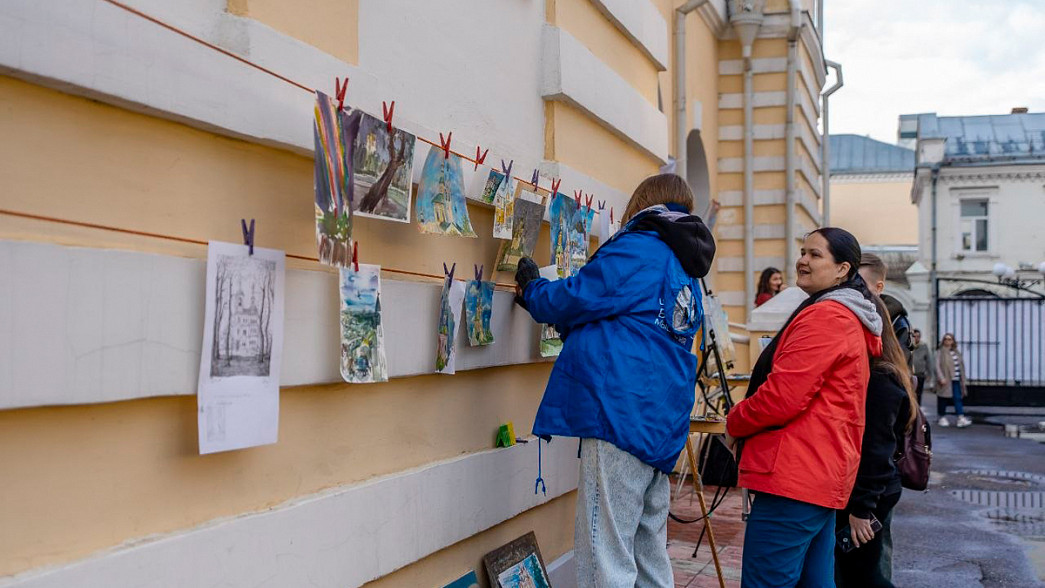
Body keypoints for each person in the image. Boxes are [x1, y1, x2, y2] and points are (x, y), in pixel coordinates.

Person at [514, 173, 716, 587]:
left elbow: (578, 296)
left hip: (621, 416)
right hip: (660, 425)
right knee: (647, 553)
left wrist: (534, 290)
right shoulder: (686, 267)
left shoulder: (642, 247)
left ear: (643, 202)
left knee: (604, 550)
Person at [727, 228, 883, 587]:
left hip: (794, 475)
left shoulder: (826, 316)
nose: (802, 260)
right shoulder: (845, 315)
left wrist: (734, 421)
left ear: (843, 269)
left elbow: (781, 397)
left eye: (815, 255)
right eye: (802, 252)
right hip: (817, 473)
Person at [835, 295, 918, 587]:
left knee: (863, 576)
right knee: (856, 572)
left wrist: (862, 509)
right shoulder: (884, 370)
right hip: (870, 492)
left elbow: (877, 450)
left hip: (869, 496)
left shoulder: (880, 378)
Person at [935, 333, 971, 428]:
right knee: (943, 398)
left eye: (950, 339)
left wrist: (963, 379)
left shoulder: (956, 352)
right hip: (946, 379)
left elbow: (961, 365)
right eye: (946, 339)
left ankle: (960, 418)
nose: (948, 341)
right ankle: (941, 417)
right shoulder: (940, 352)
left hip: (956, 379)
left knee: (957, 398)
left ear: (953, 341)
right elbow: (937, 366)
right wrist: (941, 377)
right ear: (943, 341)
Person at [910, 329, 932, 407]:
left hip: (920, 374)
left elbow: (928, 360)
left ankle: (918, 409)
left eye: (918, 336)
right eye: (914, 336)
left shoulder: (923, 346)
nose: (916, 338)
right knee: (910, 393)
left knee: (919, 394)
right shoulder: (909, 346)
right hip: (910, 374)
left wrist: (930, 374)